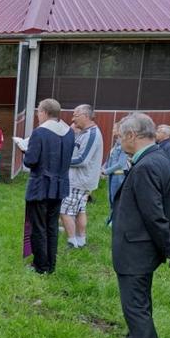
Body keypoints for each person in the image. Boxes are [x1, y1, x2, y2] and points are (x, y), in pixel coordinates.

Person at [102, 112, 170, 338]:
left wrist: (166, 248)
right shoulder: (158, 157)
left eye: (119, 137)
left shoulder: (147, 166)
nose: (118, 141)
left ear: (131, 135)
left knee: (135, 306)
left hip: (137, 249)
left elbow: (155, 215)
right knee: (139, 301)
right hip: (140, 247)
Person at [23, 98, 75, 274]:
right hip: (60, 186)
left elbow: (31, 161)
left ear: (44, 112)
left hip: (40, 186)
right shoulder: (69, 132)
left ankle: (40, 266)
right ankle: (50, 265)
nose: (38, 115)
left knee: (38, 227)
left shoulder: (40, 133)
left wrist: (25, 149)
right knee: (52, 226)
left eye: (38, 112)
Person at [61, 104, 104, 249]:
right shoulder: (84, 133)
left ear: (86, 116)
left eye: (75, 115)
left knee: (64, 210)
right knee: (80, 210)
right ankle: (81, 240)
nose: (73, 119)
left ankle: (72, 242)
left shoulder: (92, 134)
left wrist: (60, 160)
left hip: (79, 180)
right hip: (81, 180)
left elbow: (82, 160)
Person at [102, 122, 129, 225]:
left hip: (119, 176)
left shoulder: (123, 144)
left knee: (116, 199)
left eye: (114, 128)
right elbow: (110, 159)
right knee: (111, 198)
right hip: (113, 175)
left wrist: (106, 171)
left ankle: (116, 221)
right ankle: (112, 219)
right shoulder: (116, 143)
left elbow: (120, 163)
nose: (112, 130)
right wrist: (103, 167)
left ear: (119, 130)